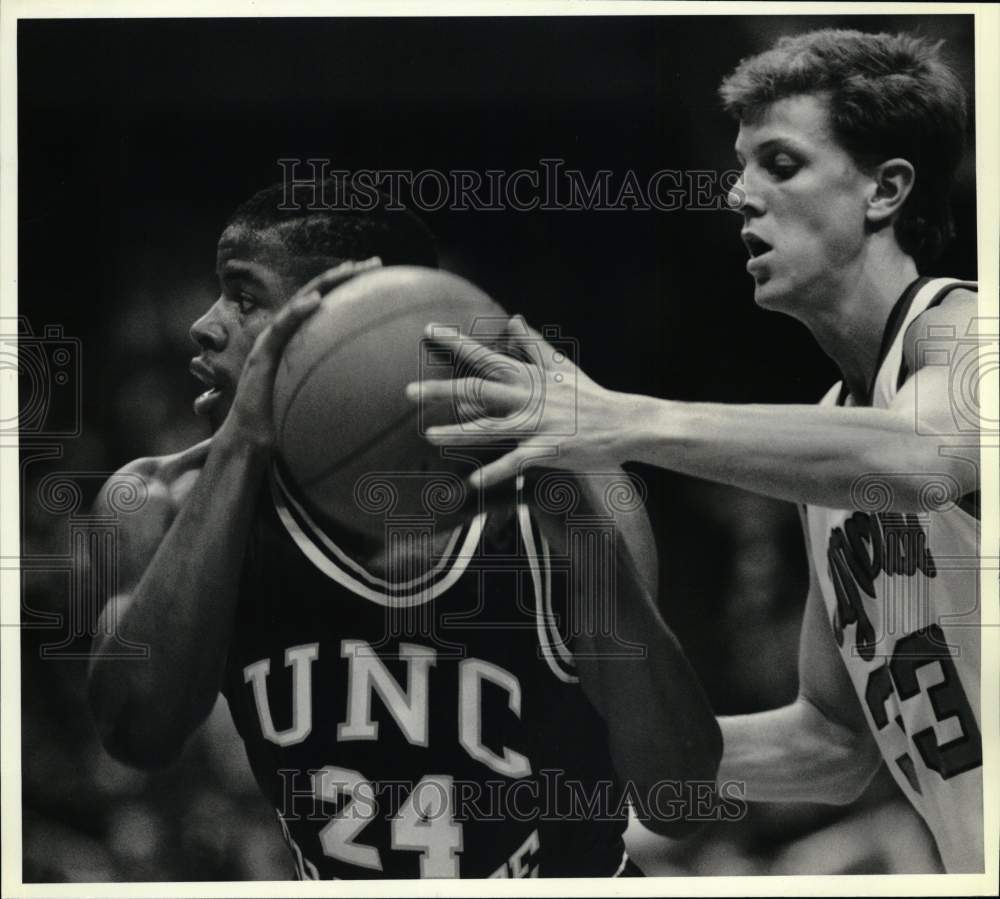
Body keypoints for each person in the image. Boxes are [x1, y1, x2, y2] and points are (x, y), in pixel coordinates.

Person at [410, 30, 983, 873]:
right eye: (742, 167)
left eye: (781, 165)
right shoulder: (830, 438)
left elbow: (925, 459)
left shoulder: (964, 327)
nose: (741, 195)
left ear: (885, 189)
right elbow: (831, 744)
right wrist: (571, 736)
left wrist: (621, 419)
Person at [85, 180, 722, 879]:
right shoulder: (159, 499)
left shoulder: (570, 495)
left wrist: (572, 516)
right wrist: (241, 447)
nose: (204, 324)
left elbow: (679, 798)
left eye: (243, 296)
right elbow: (138, 734)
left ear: (344, 323)